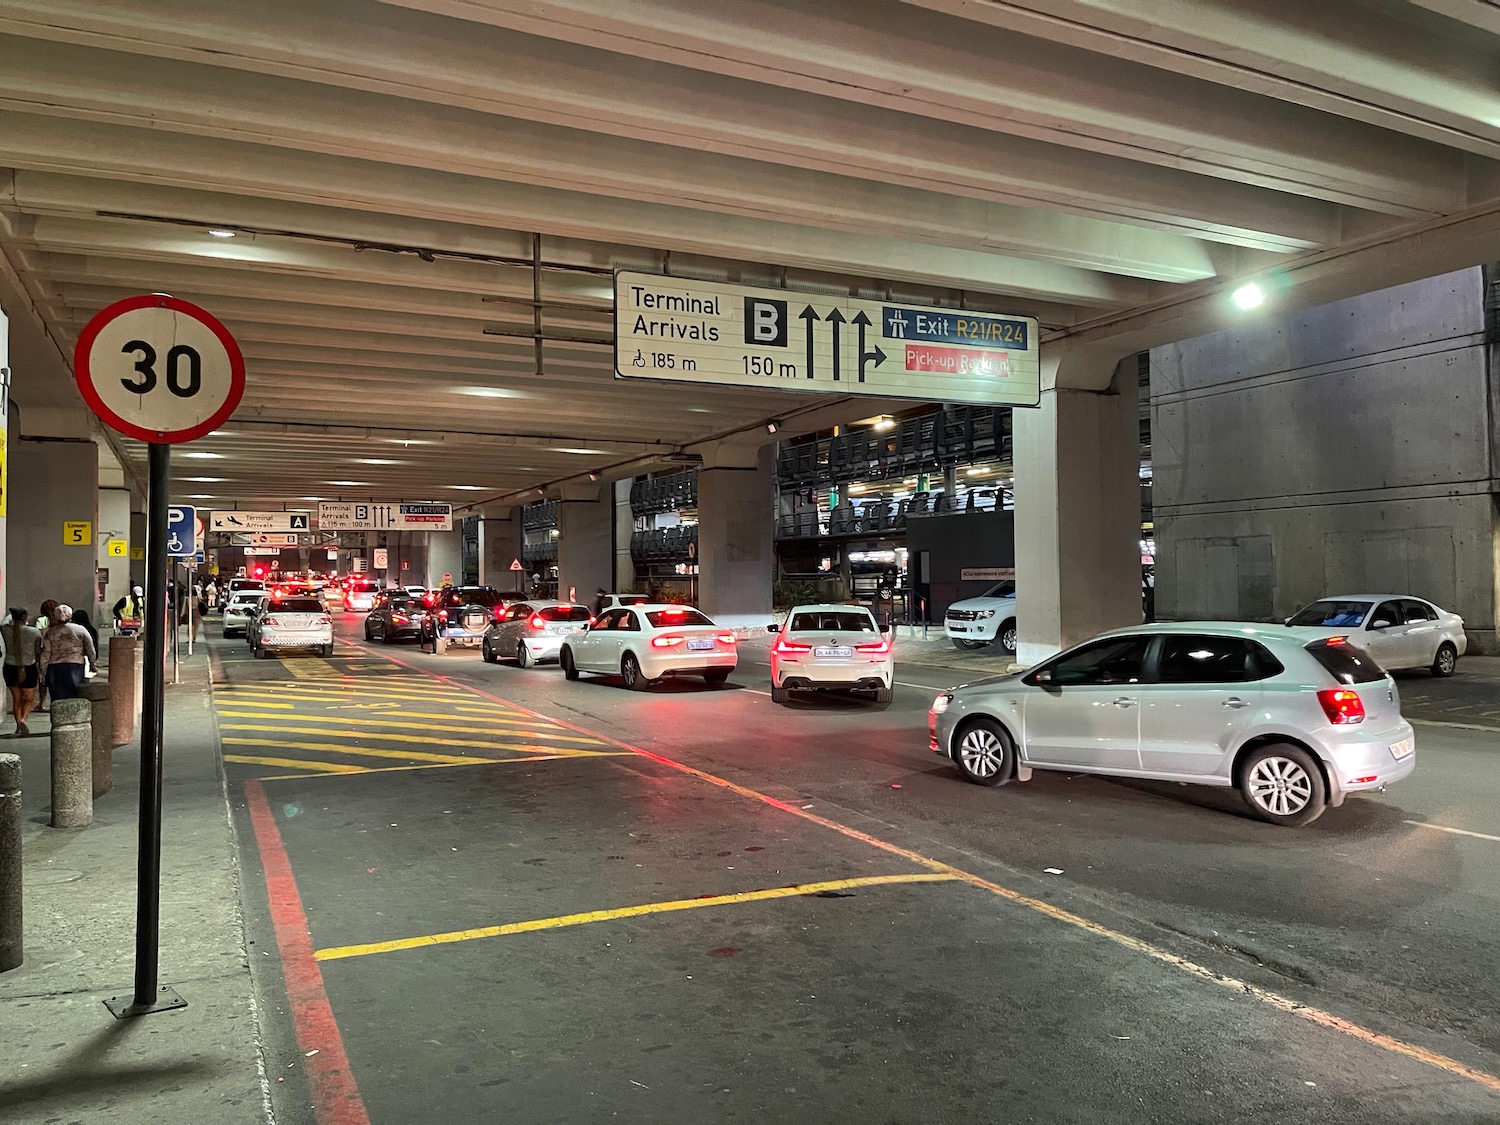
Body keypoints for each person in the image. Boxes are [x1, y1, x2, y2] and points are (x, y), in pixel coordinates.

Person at [39, 604, 96, 703]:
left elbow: (46, 652)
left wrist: (43, 670)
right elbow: (90, 648)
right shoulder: (80, 629)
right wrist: (92, 663)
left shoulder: (51, 632)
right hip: (75, 665)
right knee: (74, 695)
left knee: (57, 697)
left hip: (55, 667)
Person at [1, 608, 41, 737]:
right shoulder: (34, 632)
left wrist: (10, 616)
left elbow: (4, 621)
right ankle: (23, 719)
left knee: (16, 698)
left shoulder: (6, 630)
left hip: (10, 666)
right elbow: (38, 651)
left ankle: (18, 723)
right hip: (28, 666)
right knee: (28, 698)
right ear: (25, 618)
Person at [34, 598, 60, 712]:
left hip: (44, 652)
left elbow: (38, 636)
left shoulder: (41, 620)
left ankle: (41, 703)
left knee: (42, 680)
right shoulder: (59, 619)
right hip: (58, 652)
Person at [71, 609, 100, 676]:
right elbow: (93, 647)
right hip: (84, 659)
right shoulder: (91, 630)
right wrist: (93, 662)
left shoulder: (70, 630)